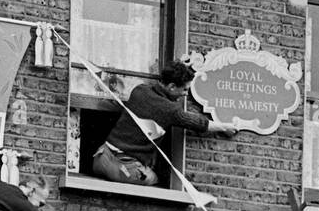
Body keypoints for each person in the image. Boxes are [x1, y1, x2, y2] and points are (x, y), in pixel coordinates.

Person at [92, 59, 236, 186]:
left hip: (100, 158)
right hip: (123, 169)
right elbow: (199, 123)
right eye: (184, 89)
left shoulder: (140, 90)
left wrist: (179, 66)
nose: (185, 94)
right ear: (172, 86)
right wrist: (225, 127)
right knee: (153, 179)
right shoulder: (170, 109)